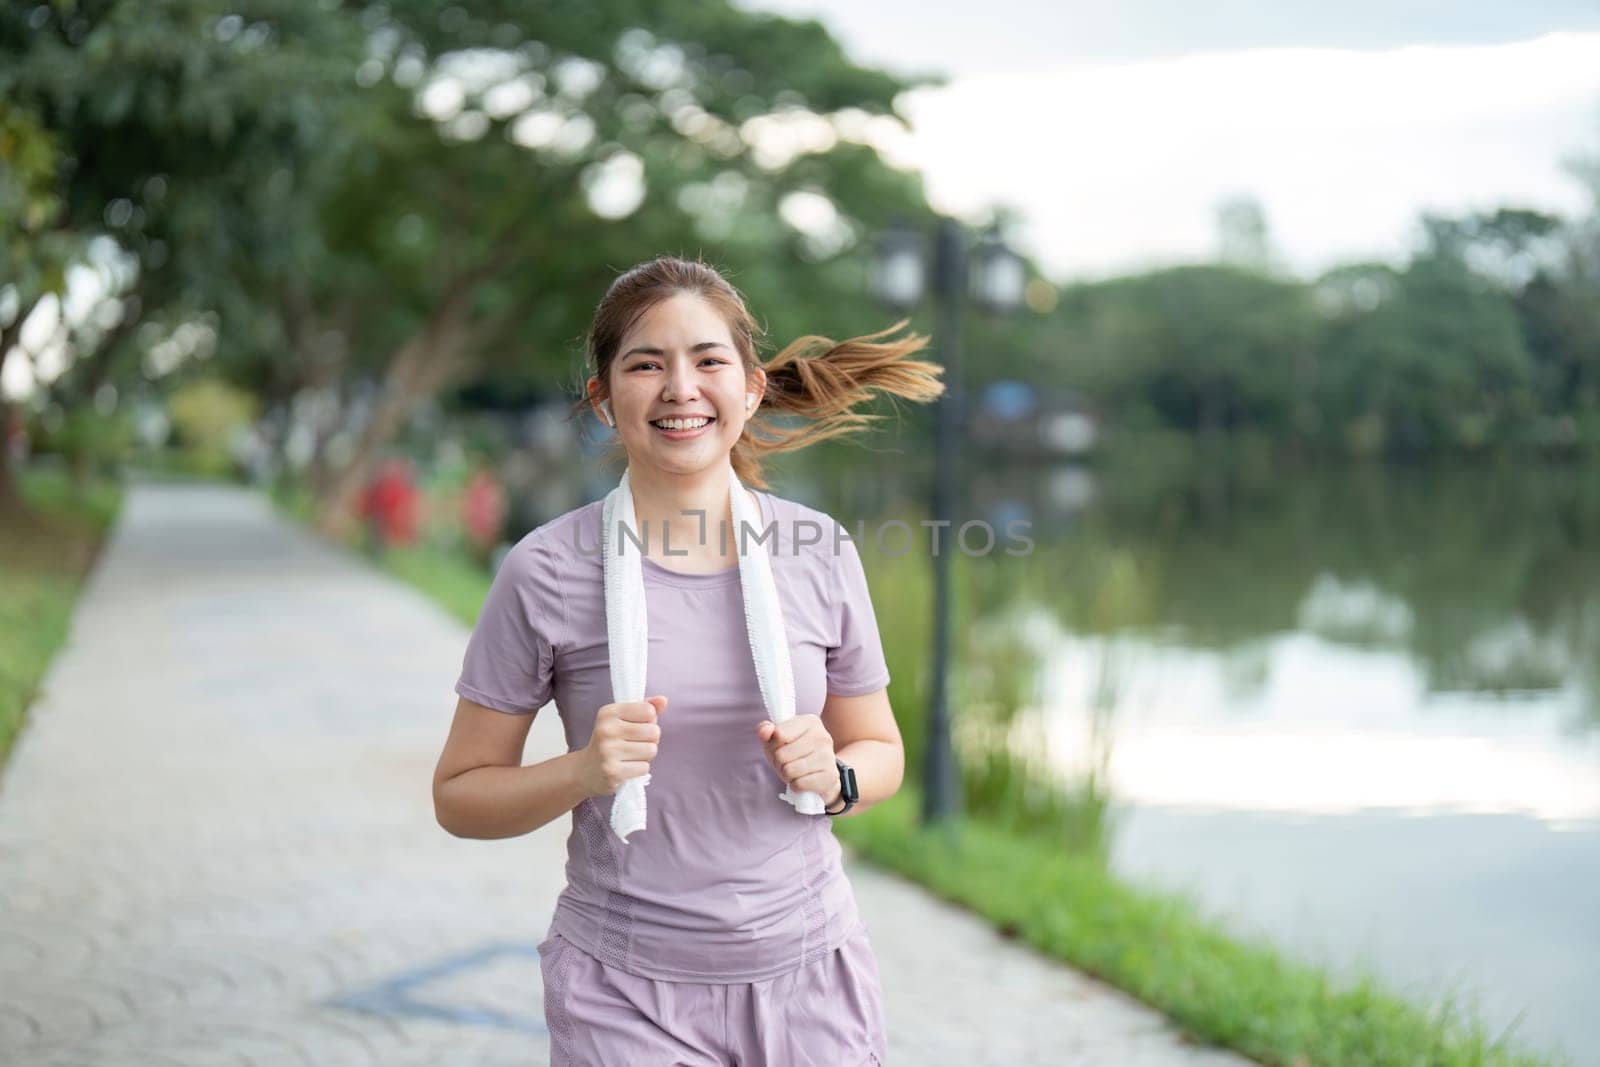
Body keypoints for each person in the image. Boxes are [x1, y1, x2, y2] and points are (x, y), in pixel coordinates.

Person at [432, 255, 945, 1065]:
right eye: (646, 363)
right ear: (603, 397)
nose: (680, 388)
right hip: (624, 993)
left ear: (749, 387)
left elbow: (880, 752)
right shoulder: (545, 569)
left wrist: (836, 773)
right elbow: (460, 796)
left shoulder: (818, 549)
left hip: (811, 980)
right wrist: (581, 772)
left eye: (708, 361)